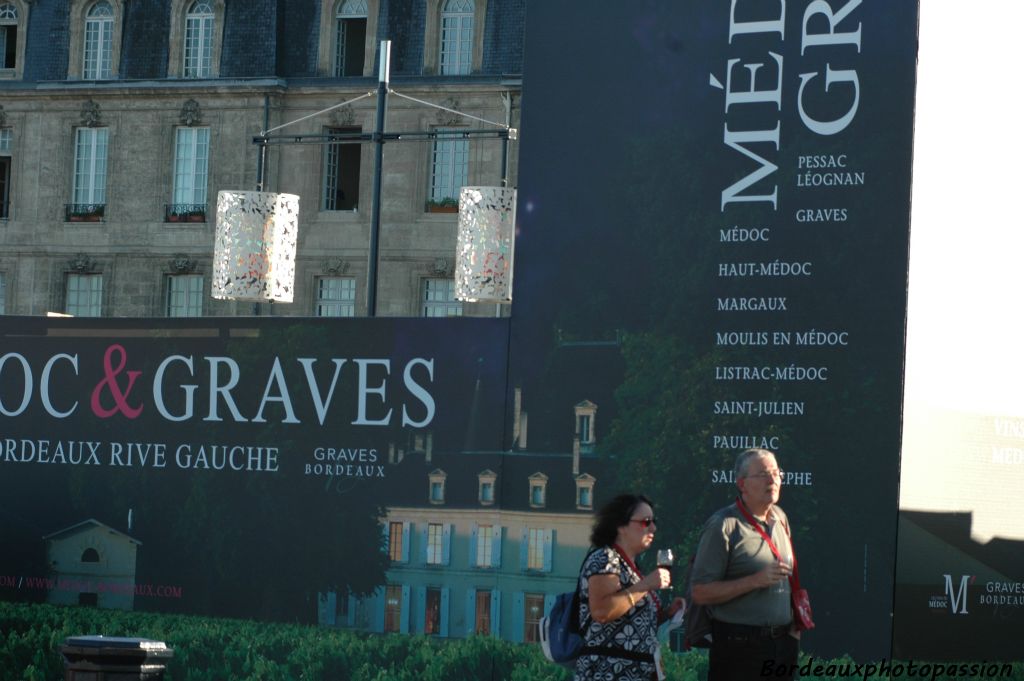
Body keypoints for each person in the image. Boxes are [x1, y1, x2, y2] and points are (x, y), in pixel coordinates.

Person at [690, 448, 800, 680]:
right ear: (742, 484)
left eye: (776, 473)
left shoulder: (780, 518)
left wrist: (793, 631)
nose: (773, 479)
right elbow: (700, 592)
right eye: (762, 474)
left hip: (782, 647)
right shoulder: (723, 525)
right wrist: (755, 581)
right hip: (739, 649)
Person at [575, 493, 685, 681]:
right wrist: (647, 584)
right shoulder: (605, 559)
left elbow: (631, 621)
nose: (653, 528)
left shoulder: (631, 567)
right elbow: (602, 610)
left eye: (653, 521)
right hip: (608, 672)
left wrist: (667, 614)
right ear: (621, 526)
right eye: (646, 522)